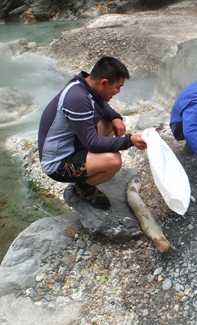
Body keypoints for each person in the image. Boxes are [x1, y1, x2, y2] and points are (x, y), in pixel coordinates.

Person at [38, 56, 147, 210]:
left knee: (107, 123)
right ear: (103, 82)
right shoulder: (77, 98)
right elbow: (93, 144)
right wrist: (130, 140)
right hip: (58, 165)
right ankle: (82, 188)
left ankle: (93, 169)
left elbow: (102, 103)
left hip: (73, 145)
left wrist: (115, 117)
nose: (118, 91)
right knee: (113, 161)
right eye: (117, 87)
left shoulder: (83, 85)